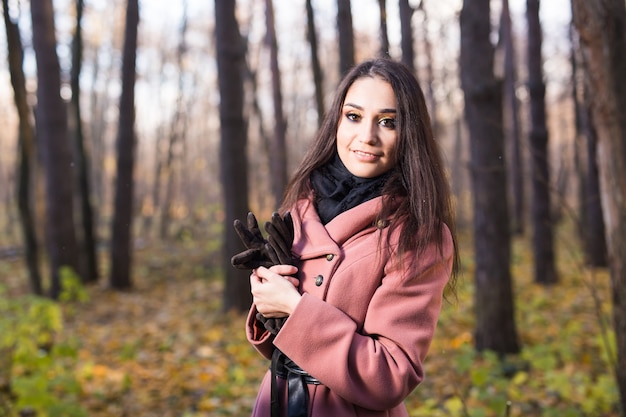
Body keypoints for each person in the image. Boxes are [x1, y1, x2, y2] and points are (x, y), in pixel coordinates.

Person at [239, 58, 459, 417]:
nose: (367, 136)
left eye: (388, 122)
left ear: (410, 134)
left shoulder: (418, 235)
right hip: (278, 403)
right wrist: (267, 300)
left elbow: (390, 375)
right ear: (337, 122)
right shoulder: (304, 205)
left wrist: (294, 308)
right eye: (354, 116)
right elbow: (281, 343)